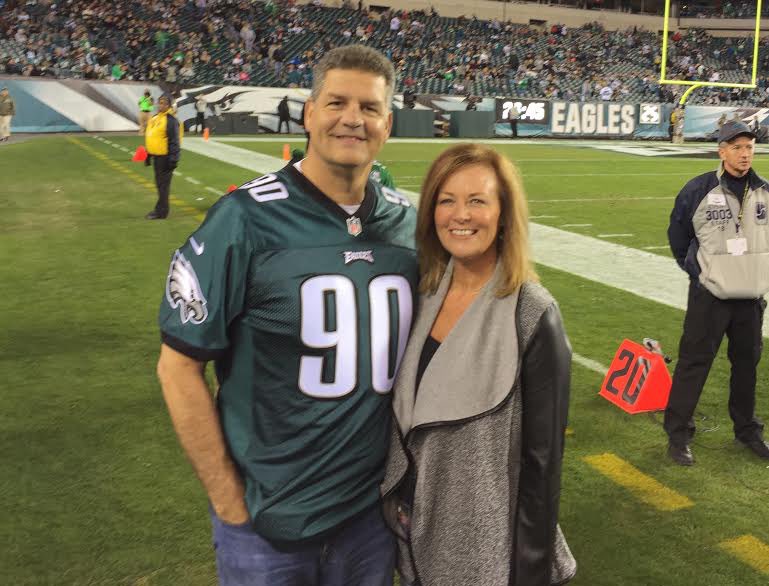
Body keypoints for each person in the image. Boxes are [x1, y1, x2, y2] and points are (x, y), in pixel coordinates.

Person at [155, 45, 418, 585]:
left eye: (369, 108)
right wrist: (230, 503)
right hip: (267, 525)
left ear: (387, 123)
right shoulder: (243, 220)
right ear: (308, 113)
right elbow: (178, 365)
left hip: (370, 521)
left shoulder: (407, 227)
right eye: (337, 102)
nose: (352, 119)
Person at [381, 143, 577, 586]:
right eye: (446, 200)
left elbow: (542, 466)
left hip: (485, 550)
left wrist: (529, 570)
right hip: (414, 537)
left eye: (477, 201)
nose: (460, 215)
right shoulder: (422, 294)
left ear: (504, 214)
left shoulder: (532, 311)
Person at [665, 120, 769, 466]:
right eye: (737, 147)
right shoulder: (698, 190)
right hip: (710, 297)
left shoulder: (765, 191)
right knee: (694, 365)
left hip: (750, 298)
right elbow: (678, 236)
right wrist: (699, 273)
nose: (744, 154)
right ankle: (678, 436)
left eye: (749, 148)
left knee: (746, 367)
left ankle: (747, 431)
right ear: (721, 150)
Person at [144, 95, 180, 220]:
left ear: (169, 105)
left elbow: (174, 142)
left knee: (163, 186)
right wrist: (148, 154)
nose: (161, 105)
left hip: (165, 158)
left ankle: (161, 212)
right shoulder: (154, 118)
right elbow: (151, 137)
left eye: (164, 103)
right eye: (160, 103)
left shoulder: (171, 120)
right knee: (160, 185)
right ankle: (161, 210)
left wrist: (173, 159)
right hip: (157, 158)